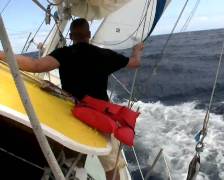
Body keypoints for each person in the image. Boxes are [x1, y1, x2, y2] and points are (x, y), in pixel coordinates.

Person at [0, 18, 144, 180]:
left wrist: (0, 55)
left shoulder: (64, 54)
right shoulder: (105, 55)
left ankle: (72, 167)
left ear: (71, 36)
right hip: (100, 117)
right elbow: (135, 63)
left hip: (73, 113)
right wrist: (137, 50)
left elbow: (35, 66)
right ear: (89, 34)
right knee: (112, 167)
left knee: (69, 151)